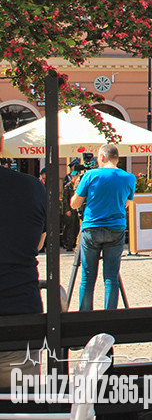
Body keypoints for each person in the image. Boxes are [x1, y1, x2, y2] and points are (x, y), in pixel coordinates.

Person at [0, 120, 46, 388]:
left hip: (20, 325)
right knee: (23, 408)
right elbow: (38, 243)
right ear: (2, 142)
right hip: (20, 322)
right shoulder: (31, 188)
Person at [71, 144, 136, 311]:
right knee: (111, 277)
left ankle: (85, 317)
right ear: (117, 158)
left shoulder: (91, 175)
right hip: (116, 228)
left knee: (87, 277)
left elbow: (74, 204)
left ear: (101, 157)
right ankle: (109, 317)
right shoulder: (129, 178)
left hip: (92, 227)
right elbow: (127, 204)